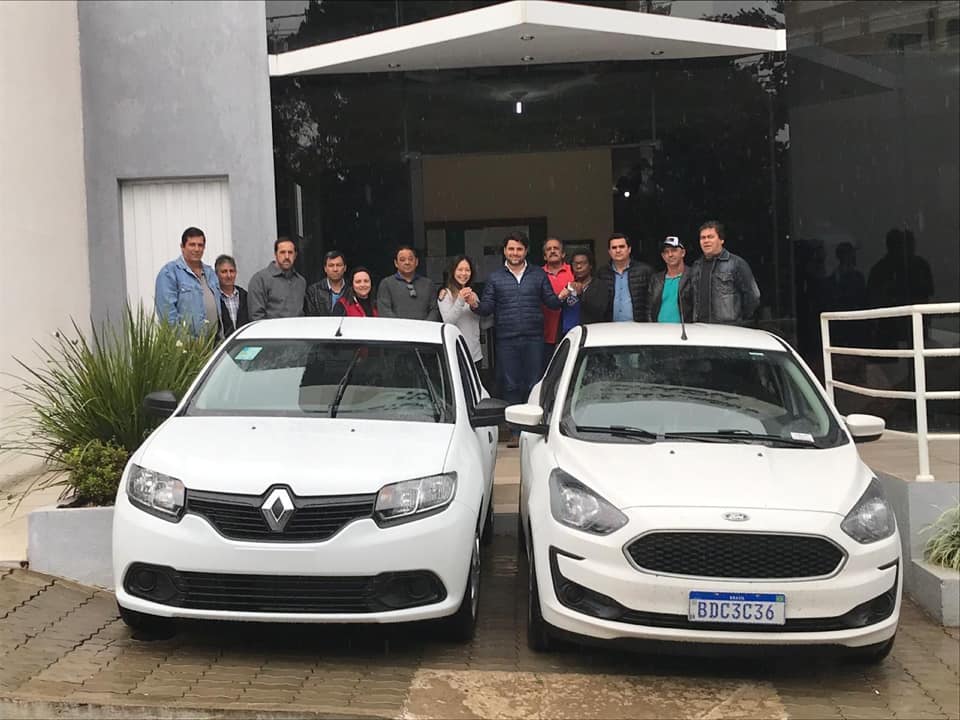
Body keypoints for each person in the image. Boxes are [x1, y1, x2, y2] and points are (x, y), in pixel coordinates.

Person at [469, 232, 567, 447]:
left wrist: (566, 293)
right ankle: (515, 431)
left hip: (534, 337)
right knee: (511, 385)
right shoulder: (495, 277)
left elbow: (551, 302)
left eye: (519, 249)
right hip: (507, 338)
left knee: (533, 383)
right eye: (511, 249)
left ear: (526, 251)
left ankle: (531, 430)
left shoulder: (537, 275)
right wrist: (474, 303)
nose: (515, 253)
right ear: (505, 251)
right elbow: (486, 308)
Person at [154, 226, 220, 336]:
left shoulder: (210, 273)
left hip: (214, 342)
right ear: (182, 247)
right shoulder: (169, 273)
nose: (197, 249)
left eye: (200, 245)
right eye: (192, 245)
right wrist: (186, 341)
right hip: (187, 344)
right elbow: (167, 316)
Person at [691, 220, 760, 324]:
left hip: (728, 328)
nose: (706, 241)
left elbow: (753, 296)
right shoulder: (696, 266)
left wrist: (738, 319)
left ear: (721, 240)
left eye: (710, 237)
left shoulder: (736, 263)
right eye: (703, 238)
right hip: (701, 328)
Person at [593, 233, 653, 322]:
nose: (618, 250)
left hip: (638, 326)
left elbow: (652, 301)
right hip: (610, 326)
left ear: (629, 249)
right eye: (614, 248)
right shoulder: (602, 273)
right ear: (609, 251)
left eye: (621, 247)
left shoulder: (645, 271)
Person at [438, 255, 482, 367]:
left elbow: (483, 323)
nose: (464, 273)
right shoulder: (445, 294)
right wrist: (460, 300)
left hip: (475, 355)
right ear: (453, 271)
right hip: (456, 354)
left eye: (467, 270)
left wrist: (475, 305)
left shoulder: (473, 294)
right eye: (460, 269)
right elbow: (448, 322)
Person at [248, 237, 306, 320]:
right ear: (275, 254)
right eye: (282, 252)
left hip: (297, 328)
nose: (287, 256)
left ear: (295, 255)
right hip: (271, 328)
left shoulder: (301, 282)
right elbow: (256, 316)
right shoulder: (260, 280)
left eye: (290, 252)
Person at [377, 246, 440, 320]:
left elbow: (434, 310)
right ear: (396, 263)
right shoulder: (386, 284)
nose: (407, 262)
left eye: (410, 259)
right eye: (402, 260)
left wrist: (424, 325)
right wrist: (401, 325)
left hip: (424, 326)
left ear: (416, 262)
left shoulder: (428, 284)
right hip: (397, 327)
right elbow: (384, 311)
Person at [647, 236, 694, 323]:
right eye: (666, 252)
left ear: (683, 253)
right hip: (659, 329)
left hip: (685, 329)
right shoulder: (656, 279)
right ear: (663, 256)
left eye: (674, 250)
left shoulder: (693, 276)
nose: (670, 254)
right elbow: (649, 308)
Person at [541, 237, 573, 357]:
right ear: (545, 256)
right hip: (544, 334)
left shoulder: (574, 271)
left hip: (570, 332)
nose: (552, 251)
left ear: (563, 253)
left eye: (556, 248)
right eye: (549, 249)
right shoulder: (537, 274)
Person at [559, 250, 598, 333]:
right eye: (575, 264)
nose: (579, 266)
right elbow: (562, 315)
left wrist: (581, 295)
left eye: (583, 263)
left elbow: (598, 311)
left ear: (590, 265)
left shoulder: (599, 286)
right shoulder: (569, 286)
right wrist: (560, 298)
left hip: (589, 335)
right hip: (569, 335)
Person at [304, 250, 350, 316]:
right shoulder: (313, 291)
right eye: (331, 265)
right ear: (325, 268)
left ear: (345, 268)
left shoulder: (351, 289)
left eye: (339, 265)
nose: (335, 269)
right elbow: (311, 318)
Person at [214, 254, 249, 338]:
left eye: (232, 271)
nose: (229, 275)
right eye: (224, 272)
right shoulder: (214, 298)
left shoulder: (245, 296)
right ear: (216, 274)